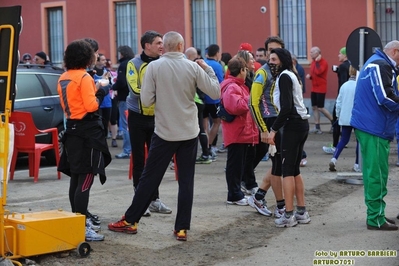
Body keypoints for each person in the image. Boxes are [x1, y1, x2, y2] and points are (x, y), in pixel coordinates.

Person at [108, 31, 220, 241]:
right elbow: (215, 92)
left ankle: (131, 220)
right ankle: (181, 228)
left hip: (165, 131)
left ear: (165, 47)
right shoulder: (192, 66)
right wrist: (208, 71)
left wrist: (164, 94)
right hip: (188, 131)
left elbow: (147, 100)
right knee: (186, 181)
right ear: (180, 46)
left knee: (149, 178)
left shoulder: (154, 67)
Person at [57, 39, 112, 241]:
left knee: (76, 177)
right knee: (86, 178)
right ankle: (82, 225)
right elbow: (91, 106)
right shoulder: (84, 77)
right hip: (88, 132)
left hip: (71, 130)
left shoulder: (63, 76)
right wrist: (101, 91)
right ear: (86, 56)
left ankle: (76, 222)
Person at [351, 40, 399, 231]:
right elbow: (385, 97)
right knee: (376, 174)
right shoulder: (381, 64)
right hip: (374, 127)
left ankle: (377, 213)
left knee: (376, 172)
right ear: (396, 51)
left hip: (372, 126)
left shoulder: (377, 62)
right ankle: (375, 218)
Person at [125, 30, 171, 215]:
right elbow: (135, 89)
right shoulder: (133, 63)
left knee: (156, 161)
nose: (162, 45)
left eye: (162, 42)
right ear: (147, 46)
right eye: (158, 43)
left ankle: (155, 199)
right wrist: (158, 94)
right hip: (137, 117)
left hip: (157, 118)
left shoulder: (163, 63)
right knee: (139, 160)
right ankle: (140, 199)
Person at [266, 48, 310, 227]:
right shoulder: (291, 74)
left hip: (292, 125)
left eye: (274, 59)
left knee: (287, 172)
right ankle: (301, 211)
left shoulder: (284, 76)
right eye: (270, 59)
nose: (271, 63)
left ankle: (289, 214)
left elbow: (286, 107)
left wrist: (273, 130)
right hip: (301, 124)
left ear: (282, 60)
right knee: (295, 171)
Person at [248, 36, 285, 217]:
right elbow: (252, 102)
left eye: (277, 50)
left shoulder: (285, 71)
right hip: (270, 121)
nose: (273, 54)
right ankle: (280, 205)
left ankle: (260, 195)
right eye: (270, 50)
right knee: (278, 164)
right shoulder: (262, 73)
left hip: (283, 121)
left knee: (282, 163)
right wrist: (263, 128)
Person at [221, 57, 258, 205]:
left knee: (239, 164)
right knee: (235, 165)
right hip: (237, 132)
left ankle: (237, 192)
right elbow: (236, 107)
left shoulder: (238, 85)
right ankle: (234, 194)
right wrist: (251, 99)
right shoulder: (232, 86)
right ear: (241, 70)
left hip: (241, 131)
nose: (247, 73)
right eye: (245, 70)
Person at [328, 65, 359, 172]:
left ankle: (334, 158)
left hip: (345, 117)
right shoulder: (359, 85)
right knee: (359, 141)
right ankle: (357, 164)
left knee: (343, 140)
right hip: (357, 117)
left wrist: (338, 115)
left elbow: (339, 102)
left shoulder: (344, 86)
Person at [185, 47, 212, 164]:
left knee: (191, 129)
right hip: (201, 100)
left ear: (188, 56)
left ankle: (188, 156)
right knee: (201, 128)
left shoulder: (189, 66)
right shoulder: (201, 65)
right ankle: (206, 153)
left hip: (193, 100)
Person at [323, 47, 351, 153]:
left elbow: (343, 82)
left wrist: (340, 98)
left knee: (336, 121)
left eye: (340, 53)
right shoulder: (350, 66)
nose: (338, 55)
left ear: (345, 55)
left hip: (342, 98)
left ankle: (335, 145)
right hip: (350, 98)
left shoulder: (343, 66)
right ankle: (344, 142)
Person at [112, 45, 134, 155]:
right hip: (133, 97)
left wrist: (112, 86)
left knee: (125, 125)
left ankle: (127, 150)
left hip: (124, 97)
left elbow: (121, 82)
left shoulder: (123, 65)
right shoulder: (133, 63)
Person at [203, 44, 224, 161]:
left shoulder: (203, 63)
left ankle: (205, 146)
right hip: (213, 99)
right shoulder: (217, 65)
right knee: (216, 122)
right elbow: (221, 82)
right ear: (217, 53)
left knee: (204, 125)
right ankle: (209, 146)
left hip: (202, 98)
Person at [306, 46, 333, 134]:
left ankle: (334, 122)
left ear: (317, 53)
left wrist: (317, 62)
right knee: (314, 107)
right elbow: (314, 73)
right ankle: (317, 127)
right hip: (314, 87)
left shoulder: (323, 62)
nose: (310, 54)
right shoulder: (313, 62)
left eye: (312, 52)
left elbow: (319, 72)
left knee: (321, 108)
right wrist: (310, 77)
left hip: (321, 88)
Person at [292, 54, 308, 166]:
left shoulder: (296, 72)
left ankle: (301, 156)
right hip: (297, 112)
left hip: (295, 112)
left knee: (295, 138)